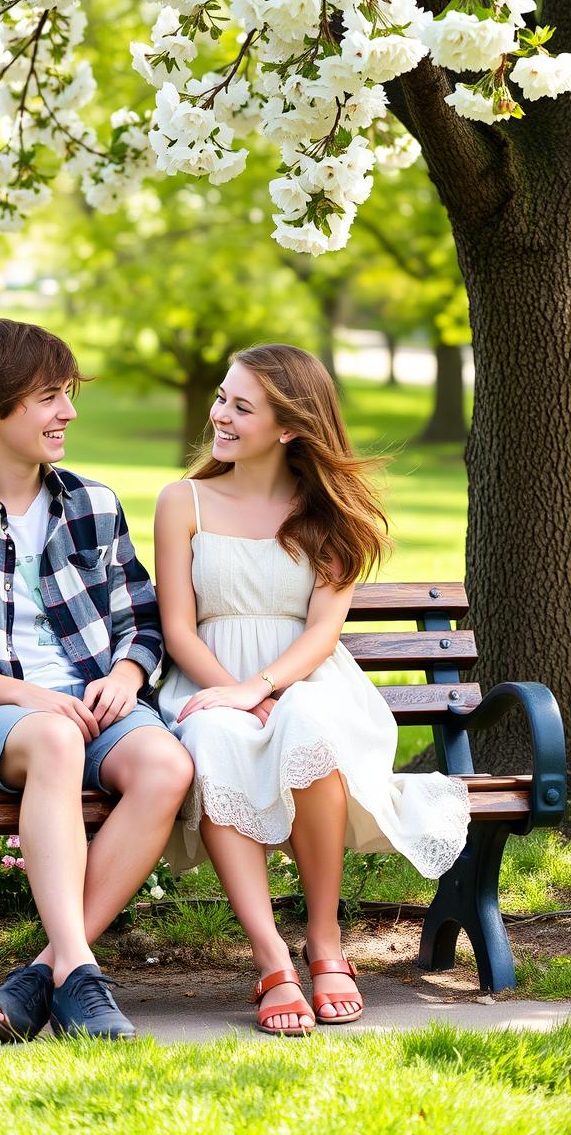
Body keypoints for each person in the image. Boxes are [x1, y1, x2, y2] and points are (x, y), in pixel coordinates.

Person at [0, 318, 194, 1042]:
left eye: (67, 394)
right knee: (54, 739)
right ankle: (83, 976)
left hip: (94, 705)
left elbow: (143, 620)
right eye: (50, 397)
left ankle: (47, 973)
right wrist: (28, 696)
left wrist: (125, 671)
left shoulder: (92, 504)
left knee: (166, 762)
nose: (69, 413)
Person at [155, 344, 470, 1037]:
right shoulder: (184, 502)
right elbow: (178, 630)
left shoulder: (326, 511)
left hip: (308, 678)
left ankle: (325, 940)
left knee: (308, 728)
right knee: (211, 734)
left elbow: (324, 632)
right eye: (221, 399)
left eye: (242, 407)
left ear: (290, 426)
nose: (221, 417)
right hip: (209, 675)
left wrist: (264, 688)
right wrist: (234, 693)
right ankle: (271, 956)